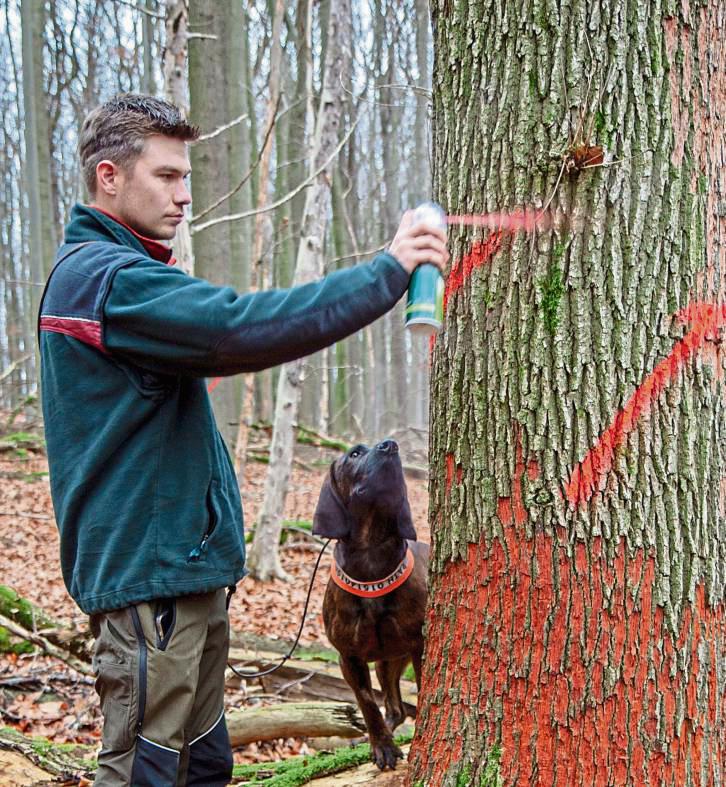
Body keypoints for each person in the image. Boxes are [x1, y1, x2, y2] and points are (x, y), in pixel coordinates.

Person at [38, 94, 448, 787]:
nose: (185, 195)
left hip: (182, 583)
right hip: (151, 588)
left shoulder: (124, 278)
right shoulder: (105, 280)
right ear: (109, 176)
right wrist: (388, 271)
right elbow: (239, 328)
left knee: (202, 768)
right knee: (146, 772)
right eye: (166, 176)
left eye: (186, 177)